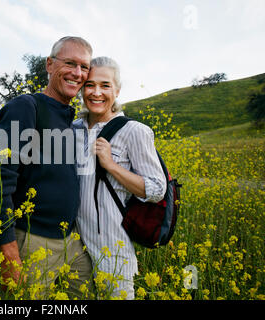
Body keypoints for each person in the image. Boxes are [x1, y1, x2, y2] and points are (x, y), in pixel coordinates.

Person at [0, 36, 94, 299]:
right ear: (49, 65)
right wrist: (9, 251)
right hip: (32, 241)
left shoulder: (73, 120)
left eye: (84, 67)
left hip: (72, 241)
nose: (77, 73)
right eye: (69, 63)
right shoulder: (26, 107)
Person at [73, 56, 166, 299]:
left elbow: (157, 189)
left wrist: (111, 165)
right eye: (90, 85)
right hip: (74, 247)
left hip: (113, 249)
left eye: (105, 85)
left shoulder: (134, 131)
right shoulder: (72, 129)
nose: (96, 93)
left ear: (117, 89)